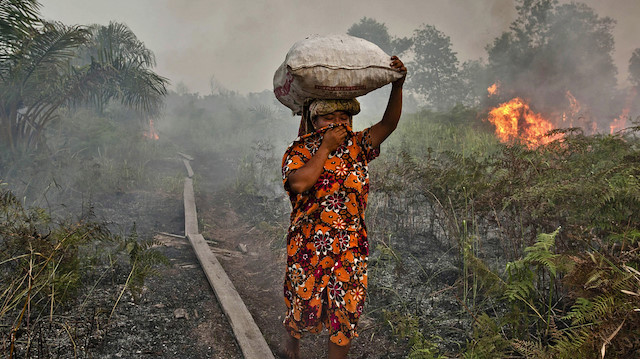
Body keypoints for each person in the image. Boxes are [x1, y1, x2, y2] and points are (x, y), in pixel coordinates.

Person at [281, 56, 406, 359]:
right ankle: (291, 351)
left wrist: (398, 85)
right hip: (308, 246)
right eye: (328, 118)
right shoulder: (300, 150)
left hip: (350, 247)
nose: (337, 122)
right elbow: (299, 183)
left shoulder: (359, 146)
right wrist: (324, 147)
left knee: (345, 316)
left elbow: (388, 124)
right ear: (314, 121)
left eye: (343, 116)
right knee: (301, 305)